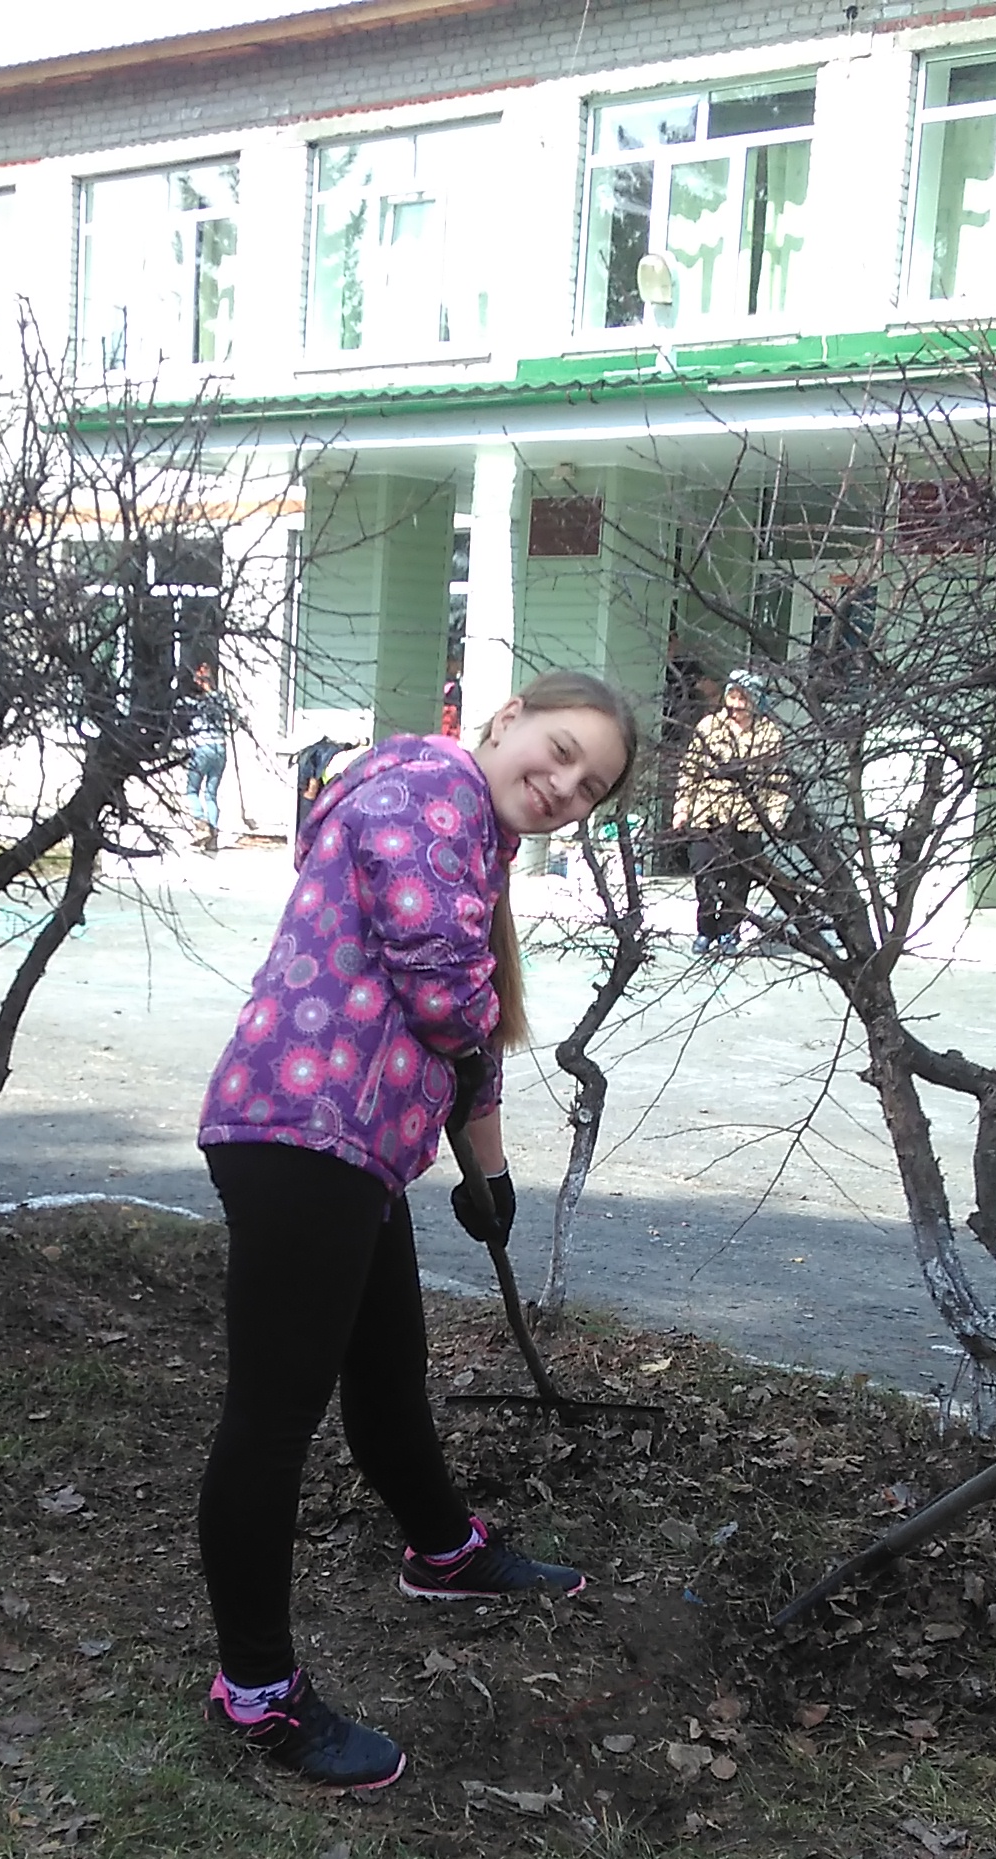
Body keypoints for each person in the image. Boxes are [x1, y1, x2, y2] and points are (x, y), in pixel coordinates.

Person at [192, 672, 637, 1789]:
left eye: (591, 786)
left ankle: (443, 1550)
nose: (566, 787)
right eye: (562, 751)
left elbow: (465, 1023)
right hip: (304, 1130)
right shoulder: (431, 788)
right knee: (272, 1420)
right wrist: (483, 1130)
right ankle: (257, 1690)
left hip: (353, 1141)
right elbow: (448, 995)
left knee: (389, 1364)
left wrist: (489, 1169)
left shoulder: (473, 826)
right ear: (509, 718)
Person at [680, 673, 786, 954]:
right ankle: (706, 930)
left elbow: (777, 781)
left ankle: (729, 931)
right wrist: (682, 808)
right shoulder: (709, 726)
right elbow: (690, 771)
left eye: (743, 699)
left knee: (739, 879)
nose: (736, 704)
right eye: (732, 697)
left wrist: (774, 816)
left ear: (756, 701)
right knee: (703, 873)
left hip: (748, 818)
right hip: (708, 814)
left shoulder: (769, 734)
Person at [183, 660, 230, 851]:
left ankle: (202, 826)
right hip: (221, 748)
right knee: (211, 794)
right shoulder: (223, 700)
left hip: (202, 748)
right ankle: (213, 837)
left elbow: (179, 708)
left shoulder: (195, 703)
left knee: (191, 791)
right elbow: (234, 714)